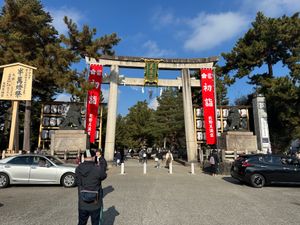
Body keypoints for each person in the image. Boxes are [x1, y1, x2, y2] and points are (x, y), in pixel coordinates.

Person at [76, 149, 107, 225]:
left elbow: (78, 182)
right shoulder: (97, 168)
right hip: (95, 201)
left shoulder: (78, 168)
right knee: (95, 222)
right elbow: (104, 175)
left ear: (84, 157)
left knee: (81, 222)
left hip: (82, 201)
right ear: (93, 157)